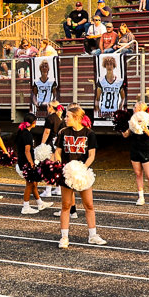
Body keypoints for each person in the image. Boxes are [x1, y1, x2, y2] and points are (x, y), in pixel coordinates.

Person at [55, 104, 107, 248]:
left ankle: (92, 235)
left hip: (83, 174)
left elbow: (92, 155)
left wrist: (82, 169)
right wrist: (61, 166)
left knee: (89, 205)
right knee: (66, 205)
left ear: (77, 118)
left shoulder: (89, 133)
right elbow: (58, 151)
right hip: (67, 173)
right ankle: (64, 237)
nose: (65, 119)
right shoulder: (63, 132)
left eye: (67, 116)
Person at [120, 101, 149, 206]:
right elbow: (126, 135)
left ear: (140, 109)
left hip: (145, 149)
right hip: (134, 149)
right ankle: (141, 197)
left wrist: (143, 127)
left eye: (135, 107)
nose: (133, 109)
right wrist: (120, 126)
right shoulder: (132, 120)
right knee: (138, 174)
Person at [14, 113, 50, 214]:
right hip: (26, 161)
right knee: (29, 184)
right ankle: (25, 207)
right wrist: (31, 163)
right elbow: (27, 150)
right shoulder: (27, 134)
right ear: (33, 122)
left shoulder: (22, 132)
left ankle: (40, 203)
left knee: (33, 183)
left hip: (22, 160)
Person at [95, 55, 125, 119]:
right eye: (107, 64)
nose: (109, 66)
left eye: (111, 64)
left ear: (114, 66)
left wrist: (119, 110)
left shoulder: (119, 81)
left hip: (114, 111)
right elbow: (97, 98)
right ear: (105, 66)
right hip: (104, 111)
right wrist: (98, 110)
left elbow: (123, 98)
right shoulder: (101, 81)